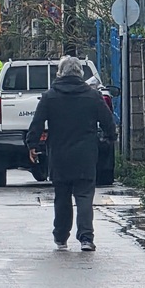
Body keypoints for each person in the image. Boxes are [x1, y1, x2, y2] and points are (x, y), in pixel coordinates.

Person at [26, 56, 116, 252]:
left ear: (60, 73)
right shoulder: (93, 96)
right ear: (80, 74)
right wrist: (109, 138)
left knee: (62, 196)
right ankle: (86, 238)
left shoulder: (50, 97)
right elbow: (108, 122)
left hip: (59, 155)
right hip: (86, 155)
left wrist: (33, 145)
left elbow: (38, 123)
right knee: (84, 196)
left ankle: (60, 237)